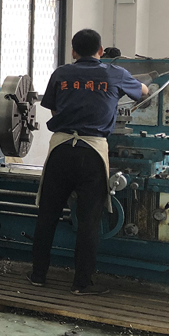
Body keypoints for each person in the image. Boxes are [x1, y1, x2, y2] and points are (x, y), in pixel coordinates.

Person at [28, 28, 148, 296]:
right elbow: (144, 91)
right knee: (89, 221)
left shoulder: (60, 73)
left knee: (47, 215)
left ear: (73, 51)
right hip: (92, 152)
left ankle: (38, 275)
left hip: (60, 150)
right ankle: (81, 284)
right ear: (101, 51)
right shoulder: (114, 73)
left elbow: (53, 108)